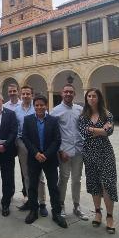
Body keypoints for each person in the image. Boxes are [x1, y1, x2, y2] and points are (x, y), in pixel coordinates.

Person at [21, 94, 67, 228]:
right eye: (37, 105)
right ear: (34, 106)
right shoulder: (28, 119)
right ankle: (33, 211)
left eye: (42, 105)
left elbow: (57, 139)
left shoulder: (53, 120)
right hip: (34, 158)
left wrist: (45, 154)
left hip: (50, 158)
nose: (39, 107)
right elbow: (25, 137)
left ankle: (57, 213)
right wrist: (36, 153)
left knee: (53, 187)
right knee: (33, 186)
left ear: (46, 106)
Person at [79, 88, 117, 234]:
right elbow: (84, 133)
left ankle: (110, 216)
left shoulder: (107, 114)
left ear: (99, 98)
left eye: (94, 96)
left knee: (107, 184)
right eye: (89, 96)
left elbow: (110, 132)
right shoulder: (83, 116)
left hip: (105, 153)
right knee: (94, 183)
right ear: (86, 98)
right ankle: (97, 213)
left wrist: (92, 129)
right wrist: (102, 130)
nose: (91, 98)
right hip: (89, 153)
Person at [50, 84, 88, 220]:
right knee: (64, 178)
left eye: (71, 92)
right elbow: (53, 134)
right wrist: (60, 150)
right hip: (64, 152)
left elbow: (84, 127)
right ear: (61, 93)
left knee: (77, 179)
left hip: (78, 150)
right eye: (66, 91)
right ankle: (61, 205)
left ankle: (76, 206)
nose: (68, 94)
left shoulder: (80, 109)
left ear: (74, 94)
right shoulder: (55, 111)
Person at [15, 86, 48, 217]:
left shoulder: (38, 108)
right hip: (22, 144)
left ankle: (42, 202)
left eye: (28, 93)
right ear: (20, 95)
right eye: (23, 94)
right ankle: (30, 199)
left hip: (37, 145)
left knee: (39, 175)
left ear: (32, 95)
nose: (25, 96)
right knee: (26, 174)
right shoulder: (16, 110)